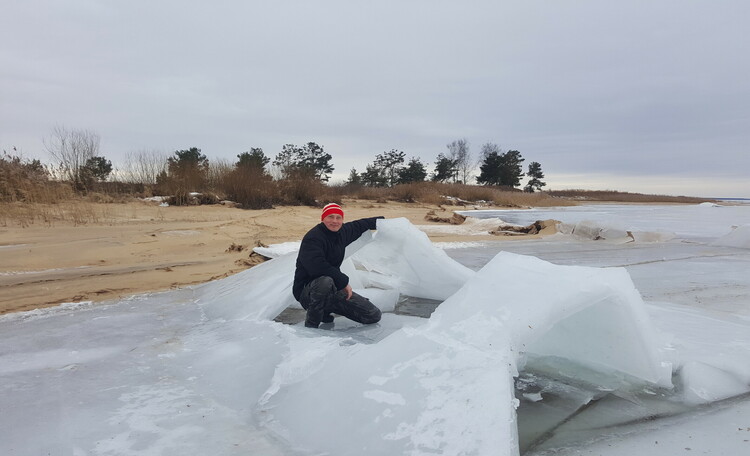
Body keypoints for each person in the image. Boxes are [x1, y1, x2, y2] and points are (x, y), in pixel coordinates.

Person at [293, 203, 383, 328]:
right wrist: (343, 282)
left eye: (338, 217)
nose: (334, 221)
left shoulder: (342, 232)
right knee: (325, 281)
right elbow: (317, 267)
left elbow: (360, 224)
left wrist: (387, 223)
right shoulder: (313, 238)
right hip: (308, 293)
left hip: (332, 290)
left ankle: (327, 309)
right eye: (330, 217)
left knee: (373, 315)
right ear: (323, 218)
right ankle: (311, 327)